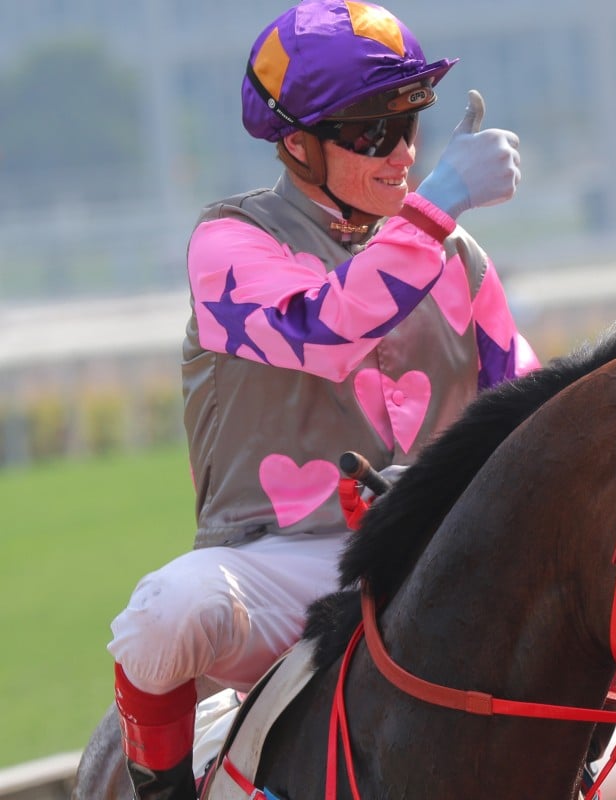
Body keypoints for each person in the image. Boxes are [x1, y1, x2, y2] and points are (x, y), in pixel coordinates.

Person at [105, 2, 538, 798]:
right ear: (297, 143)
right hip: (284, 563)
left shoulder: (457, 255)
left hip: (437, 556)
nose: (402, 153)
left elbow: (526, 412)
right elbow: (327, 332)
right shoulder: (229, 242)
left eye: (410, 123)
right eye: (373, 132)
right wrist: (439, 203)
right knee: (165, 611)